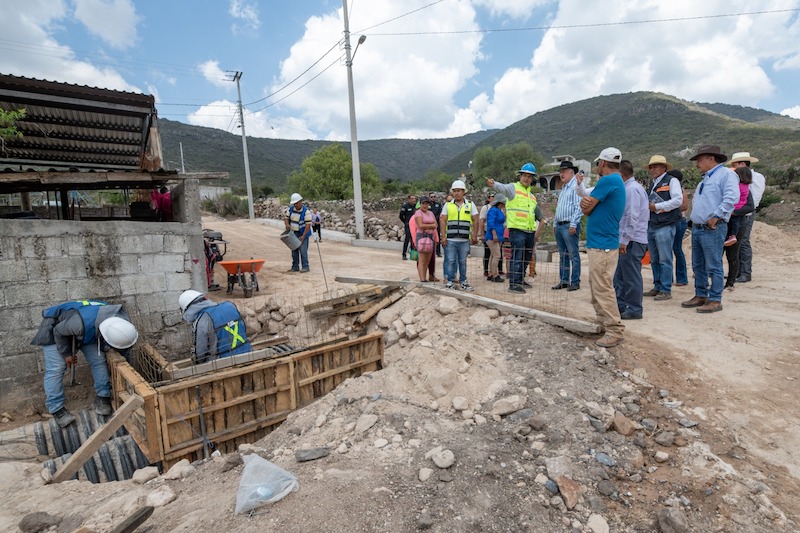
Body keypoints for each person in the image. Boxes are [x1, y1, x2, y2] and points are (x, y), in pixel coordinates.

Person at [31, 300, 139, 427]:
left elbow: (124, 348)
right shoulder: (80, 324)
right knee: (56, 368)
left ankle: (103, 396)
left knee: (98, 360)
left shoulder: (122, 321)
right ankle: (56, 409)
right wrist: (67, 355)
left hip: (87, 327)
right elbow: (58, 332)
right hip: (56, 328)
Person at [682, 145, 740, 313]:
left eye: (699, 159)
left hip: (712, 227)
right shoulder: (705, 179)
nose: (697, 163)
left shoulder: (726, 174)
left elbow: (731, 198)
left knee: (713, 265)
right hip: (699, 227)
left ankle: (715, 299)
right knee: (698, 264)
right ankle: (701, 294)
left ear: (711, 158)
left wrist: (716, 216)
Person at [579, 148, 626, 348]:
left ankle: (614, 329)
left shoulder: (608, 181)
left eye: (599, 163)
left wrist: (587, 206)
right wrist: (589, 206)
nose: (598, 166)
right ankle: (602, 321)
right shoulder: (617, 181)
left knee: (603, 287)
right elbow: (590, 208)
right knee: (597, 285)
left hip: (602, 245)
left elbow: (587, 208)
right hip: (602, 243)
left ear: (603, 163)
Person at [486, 163, 541, 294]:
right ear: (520, 176)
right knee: (517, 256)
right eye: (525, 175)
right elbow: (502, 188)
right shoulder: (513, 188)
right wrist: (493, 184)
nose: (526, 178)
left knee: (526, 257)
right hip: (517, 230)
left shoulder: (531, 196)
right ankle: (514, 284)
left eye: (529, 176)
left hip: (529, 230)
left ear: (532, 179)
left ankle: (520, 279)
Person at [643, 155, 683, 301]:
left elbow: (678, 201)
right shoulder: (652, 184)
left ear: (664, 168)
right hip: (653, 225)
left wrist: (657, 206)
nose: (653, 169)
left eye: (656, 166)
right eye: (651, 167)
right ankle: (658, 286)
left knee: (665, 259)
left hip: (665, 225)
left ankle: (665, 289)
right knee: (655, 259)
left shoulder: (672, 181)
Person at [614, 160, 649, 320]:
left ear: (621, 174)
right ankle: (621, 306)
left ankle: (634, 308)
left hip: (632, 240)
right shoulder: (629, 188)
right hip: (630, 239)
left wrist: (624, 240)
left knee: (631, 276)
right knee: (621, 275)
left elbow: (632, 217)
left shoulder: (632, 190)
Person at [179, 290, 252, 364]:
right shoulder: (230, 305)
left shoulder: (202, 319)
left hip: (224, 363)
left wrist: (198, 364)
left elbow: (200, 351)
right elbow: (243, 328)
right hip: (248, 353)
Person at [729, 152, 766, 283]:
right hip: (737, 212)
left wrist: (744, 210)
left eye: (735, 164)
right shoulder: (737, 177)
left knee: (743, 241)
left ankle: (745, 272)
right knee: (737, 242)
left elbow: (755, 197)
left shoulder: (757, 177)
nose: (733, 167)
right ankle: (737, 272)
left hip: (746, 213)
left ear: (742, 164)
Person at [440, 179, 478, 291]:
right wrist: (443, 236)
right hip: (451, 239)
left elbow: (475, 220)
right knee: (451, 261)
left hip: (464, 240)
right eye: (454, 191)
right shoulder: (448, 205)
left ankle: (463, 281)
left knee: (463, 262)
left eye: (459, 191)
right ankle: (450, 281)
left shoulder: (470, 205)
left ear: (463, 192)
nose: (456, 193)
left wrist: (474, 235)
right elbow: (443, 221)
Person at [551, 160, 584, 291]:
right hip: (560, 225)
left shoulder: (576, 186)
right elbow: (559, 207)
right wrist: (554, 223)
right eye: (560, 172)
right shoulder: (564, 188)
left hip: (569, 225)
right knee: (563, 254)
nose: (561, 174)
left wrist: (573, 224)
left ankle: (575, 281)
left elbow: (578, 207)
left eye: (564, 172)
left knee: (573, 254)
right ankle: (564, 280)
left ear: (571, 172)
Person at [724, 166, 755, 291]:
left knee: (733, 254)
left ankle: (730, 282)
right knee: (722, 254)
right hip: (726, 222)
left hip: (736, 222)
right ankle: (724, 281)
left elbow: (750, 206)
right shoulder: (732, 187)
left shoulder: (742, 189)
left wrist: (734, 213)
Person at [668, 169, 690, 287]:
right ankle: (671, 277)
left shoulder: (680, 191)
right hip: (675, 221)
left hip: (678, 221)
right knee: (671, 250)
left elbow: (684, 206)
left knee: (676, 249)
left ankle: (681, 278)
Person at [412, 198, 439, 282]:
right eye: (423, 203)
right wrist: (431, 226)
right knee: (422, 259)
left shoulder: (430, 213)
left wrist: (427, 226)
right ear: (420, 204)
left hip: (430, 237)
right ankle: (422, 279)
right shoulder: (418, 213)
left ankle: (425, 276)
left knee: (428, 259)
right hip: (421, 237)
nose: (425, 205)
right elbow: (420, 225)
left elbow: (436, 225)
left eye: (427, 204)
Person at [284, 193, 312, 273]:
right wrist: (287, 224)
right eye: (294, 204)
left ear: (300, 202)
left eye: (296, 203)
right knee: (294, 251)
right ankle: (295, 267)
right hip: (293, 233)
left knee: (303, 251)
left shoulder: (306, 212)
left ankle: (305, 267)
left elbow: (308, 225)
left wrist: (303, 236)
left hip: (303, 233)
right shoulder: (291, 209)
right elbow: (286, 218)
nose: (295, 205)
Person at [485, 194, 507, 282]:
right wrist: (494, 234)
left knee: (493, 255)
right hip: (493, 236)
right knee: (497, 255)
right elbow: (490, 223)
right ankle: (495, 274)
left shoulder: (498, 210)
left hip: (498, 235)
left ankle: (491, 273)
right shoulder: (493, 211)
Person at [399, 194, 418, 260]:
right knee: (407, 239)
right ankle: (404, 254)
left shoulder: (416, 207)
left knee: (414, 240)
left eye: (414, 198)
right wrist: (406, 222)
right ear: (409, 199)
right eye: (412, 198)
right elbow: (401, 216)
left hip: (416, 225)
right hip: (408, 225)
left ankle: (413, 255)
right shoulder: (405, 206)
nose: (414, 200)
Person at [427, 192, 444, 257]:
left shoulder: (438, 204)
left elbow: (440, 213)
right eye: (431, 197)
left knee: (437, 238)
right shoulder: (427, 205)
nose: (433, 198)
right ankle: (430, 252)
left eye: (434, 197)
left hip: (437, 223)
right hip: (429, 224)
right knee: (429, 238)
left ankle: (438, 252)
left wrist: (435, 219)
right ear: (429, 198)